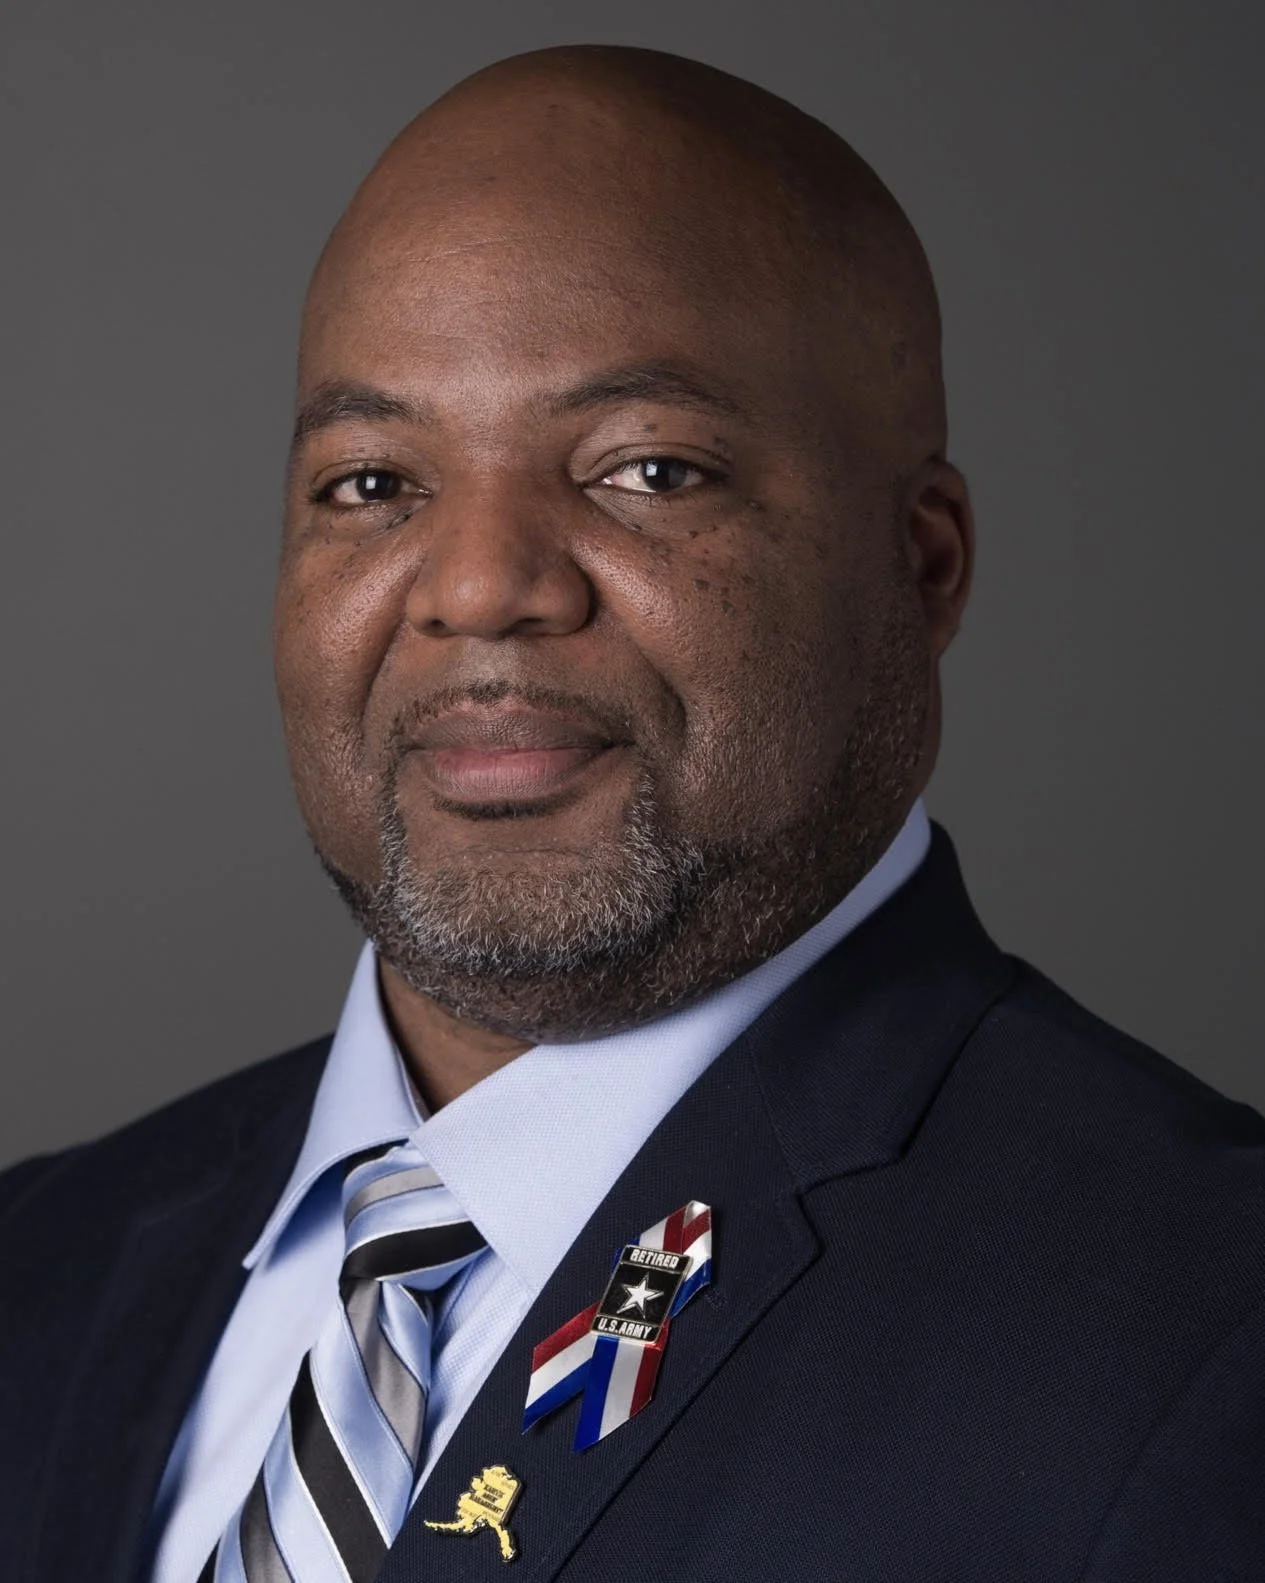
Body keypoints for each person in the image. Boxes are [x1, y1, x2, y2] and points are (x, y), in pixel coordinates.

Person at [1, 42, 1261, 1583]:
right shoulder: (40, 1269)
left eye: (647, 469)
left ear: (919, 566)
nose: (477, 588)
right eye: (374, 483)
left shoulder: (1205, 1340)